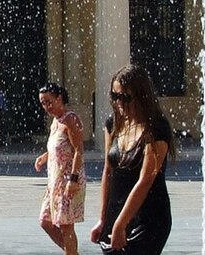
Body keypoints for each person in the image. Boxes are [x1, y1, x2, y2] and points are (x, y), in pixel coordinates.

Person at [91, 66, 174, 254]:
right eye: (115, 96)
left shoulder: (157, 128)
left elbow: (145, 181)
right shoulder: (113, 123)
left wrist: (121, 224)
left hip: (148, 217)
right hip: (116, 212)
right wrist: (103, 219)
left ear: (141, 96)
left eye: (126, 97)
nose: (119, 102)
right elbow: (108, 171)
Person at [34, 83, 85, 255]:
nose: (46, 106)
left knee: (65, 225)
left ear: (59, 98)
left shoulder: (70, 119)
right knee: (45, 221)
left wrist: (73, 179)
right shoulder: (55, 122)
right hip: (54, 182)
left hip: (68, 180)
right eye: (43, 103)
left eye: (49, 101)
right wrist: (44, 156)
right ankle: (72, 253)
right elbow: (59, 148)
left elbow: (78, 150)